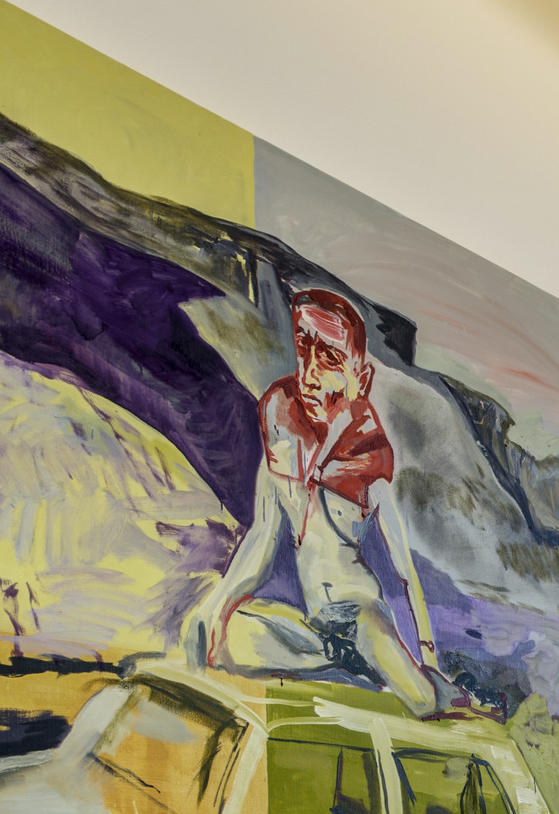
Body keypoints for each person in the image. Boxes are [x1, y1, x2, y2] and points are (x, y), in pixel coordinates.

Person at [181, 287, 445, 714]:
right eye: (305, 349)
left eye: (330, 359)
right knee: (214, 635)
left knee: (422, 702)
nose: (310, 372)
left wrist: (429, 657)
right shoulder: (282, 425)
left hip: (359, 617)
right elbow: (263, 538)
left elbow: (404, 573)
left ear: (361, 376)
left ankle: (408, 682)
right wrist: (218, 605)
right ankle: (345, 671)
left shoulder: (371, 455)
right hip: (313, 631)